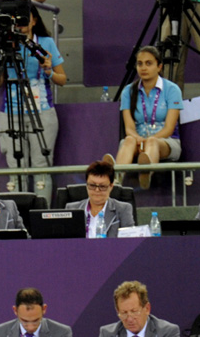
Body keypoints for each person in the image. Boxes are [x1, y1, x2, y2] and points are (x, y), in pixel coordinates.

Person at [0, 5, 66, 204]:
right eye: (16, 21)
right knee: (17, 168)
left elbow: (62, 79)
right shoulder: (4, 43)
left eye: (25, 20)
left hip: (42, 111)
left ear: (34, 21)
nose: (21, 26)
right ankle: (19, 216)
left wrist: (49, 70)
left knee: (41, 165)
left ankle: (41, 215)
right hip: (11, 113)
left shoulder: (46, 43)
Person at [113, 45, 182, 190]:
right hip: (137, 140)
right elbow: (129, 128)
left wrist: (148, 140)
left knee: (152, 141)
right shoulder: (128, 91)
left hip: (167, 142)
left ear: (159, 66)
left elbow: (169, 129)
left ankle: (146, 174)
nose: (143, 68)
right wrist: (138, 139)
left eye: (148, 63)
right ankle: (116, 181)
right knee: (129, 140)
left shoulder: (172, 90)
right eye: (140, 64)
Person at [95, 280, 183, 337]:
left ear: (147, 309)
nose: (129, 319)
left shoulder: (166, 332)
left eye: (134, 311)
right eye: (124, 313)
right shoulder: (108, 334)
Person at [64, 159, 134, 238]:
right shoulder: (72, 209)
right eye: (92, 185)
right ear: (86, 185)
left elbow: (129, 240)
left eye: (102, 186)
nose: (97, 190)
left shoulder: (123, 209)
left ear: (111, 187)